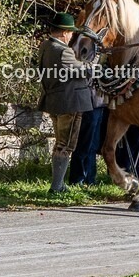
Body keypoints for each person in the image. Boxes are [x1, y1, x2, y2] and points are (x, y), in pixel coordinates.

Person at [36, 12, 94, 193]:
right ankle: (56, 187)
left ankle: (59, 184)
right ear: (62, 33)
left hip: (55, 101)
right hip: (70, 103)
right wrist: (94, 65)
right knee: (65, 145)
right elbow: (81, 71)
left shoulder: (45, 46)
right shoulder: (64, 51)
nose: (71, 36)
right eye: (70, 33)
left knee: (60, 143)